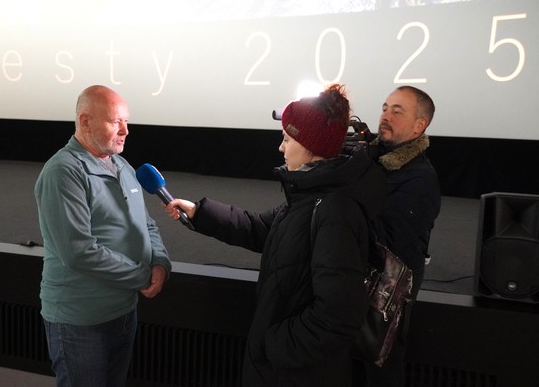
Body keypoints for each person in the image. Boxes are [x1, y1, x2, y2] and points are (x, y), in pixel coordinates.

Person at [164, 84, 386, 386]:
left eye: (287, 139)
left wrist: (276, 346)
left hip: (296, 373)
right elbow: (259, 228)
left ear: (309, 147)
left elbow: (339, 315)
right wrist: (199, 213)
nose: (281, 147)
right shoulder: (311, 196)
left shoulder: (334, 210)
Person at [34, 85, 172, 387]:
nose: (125, 130)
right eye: (115, 121)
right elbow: (79, 252)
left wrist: (160, 263)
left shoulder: (122, 165)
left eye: (126, 121)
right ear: (85, 122)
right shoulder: (63, 172)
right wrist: (143, 277)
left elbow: (146, 224)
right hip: (80, 321)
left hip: (123, 311)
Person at [353, 85, 441, 386]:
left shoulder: (421, 180)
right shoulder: (372, 161)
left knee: (380, 370)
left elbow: (383, 237)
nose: (385, 116)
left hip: (384, 303)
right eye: (384, 108)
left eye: (397, 111)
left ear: (419, 125)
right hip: (355, 287)